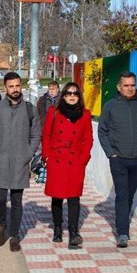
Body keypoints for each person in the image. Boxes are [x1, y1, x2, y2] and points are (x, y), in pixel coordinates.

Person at [98, 71, 137, 248]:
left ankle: (123, 223)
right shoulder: (110, 106)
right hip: (118, 159)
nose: (130, 88)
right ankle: (123, 232)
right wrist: (111, 153)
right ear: (119, 87)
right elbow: (102, 131)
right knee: (122, 195)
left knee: (130, 195)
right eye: (126, 85)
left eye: (132, 85)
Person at [0, 72, 41, 252]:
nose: (15, 89)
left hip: (20, 161)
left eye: (17, 86)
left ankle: (15, 236)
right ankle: (2, 224)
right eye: (11, 86)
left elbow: (35, 135)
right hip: (0, 160)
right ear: (5, 88)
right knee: (0, 199)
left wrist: (29, 153)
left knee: (17, 201)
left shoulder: (29, 109)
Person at [41, 82, 93, 249]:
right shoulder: (53, 112)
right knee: (57, 196)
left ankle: (73, 232)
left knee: (74, 197)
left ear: (79, 96)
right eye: (69, 93)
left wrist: (83, 159)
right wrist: (47, 156)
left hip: (75, 161)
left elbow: (88, 139)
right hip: (57, 159)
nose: (72, 96)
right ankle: (57, 228)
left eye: (75, 93)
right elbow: (46, 134)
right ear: (63, 96)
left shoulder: (85, 114)